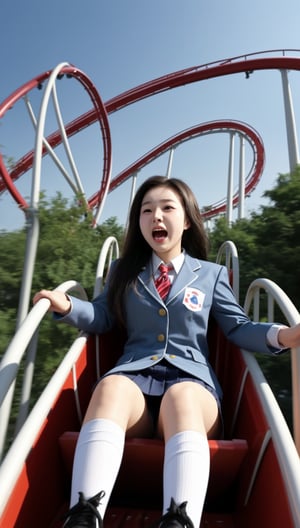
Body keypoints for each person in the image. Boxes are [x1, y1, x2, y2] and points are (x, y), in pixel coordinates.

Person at [33, 176, 300, 528]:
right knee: (111, 386)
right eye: (146, 210)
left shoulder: (211, 275)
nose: (156, 216)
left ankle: (179, 519)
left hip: (192, 386)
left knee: (183, 395)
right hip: (135, 383)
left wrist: (285, 335)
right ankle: (83, 514)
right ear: (138, 221)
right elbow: (102, 315)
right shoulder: (122, 272)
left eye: (167, 208)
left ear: (186, 220)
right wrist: (66, 305)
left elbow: (237, 327)